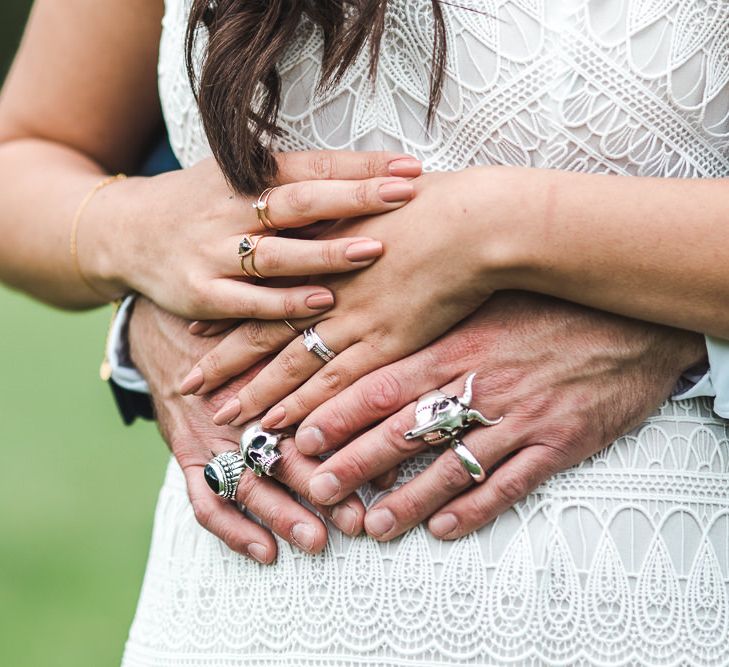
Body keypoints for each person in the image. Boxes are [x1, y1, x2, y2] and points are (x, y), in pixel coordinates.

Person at [1, 1, 729, 665]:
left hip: (659, 594)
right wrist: (131, 239)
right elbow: (26, 150)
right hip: (242, 618)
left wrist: (499, 225)